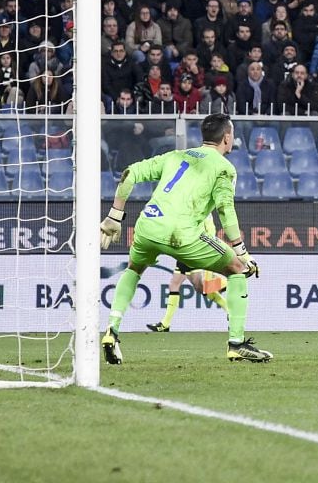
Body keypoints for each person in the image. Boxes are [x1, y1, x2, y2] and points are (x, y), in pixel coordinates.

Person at [98, 113, 271, 364]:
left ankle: (111, 331)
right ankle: (236, 343)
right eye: (232, 134)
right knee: (237, 268)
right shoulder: (224, 168)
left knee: (134, 270)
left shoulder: (175, 155)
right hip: (182, 235)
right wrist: (242, 252)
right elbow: (225, 210)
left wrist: (114, 216)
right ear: (226, 137)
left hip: (147, 228)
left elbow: (129, 173)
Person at [146, 219, 230, 333]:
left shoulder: (203, 209)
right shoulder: (184, 207)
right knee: (175, 284)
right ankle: (165, 324)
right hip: (183, 250)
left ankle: (228, 284)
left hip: (195, 250)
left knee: (200, 287)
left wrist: (206, 248)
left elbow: (210, 229)